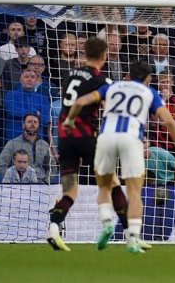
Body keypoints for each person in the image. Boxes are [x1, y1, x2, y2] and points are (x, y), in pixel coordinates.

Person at [62, 59, 175, 253]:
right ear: (148, 79)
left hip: (105, 139)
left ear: (129, 73)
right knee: (134, 192)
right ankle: (133, 238)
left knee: (105, 187)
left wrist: (70, 120)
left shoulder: (111, 86)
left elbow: (80, 101)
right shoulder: (149, 92)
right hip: (131, 140)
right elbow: (170, 122)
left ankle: (106, 222)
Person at [46, 38, 136, 252]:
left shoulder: (69, 76)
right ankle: (130, 236)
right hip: (87, 138)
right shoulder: (100, 80)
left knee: (70, 191)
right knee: (113, 183)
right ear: (104, 56)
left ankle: (53, 227)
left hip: (65, 139)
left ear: (85, 54)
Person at [0, 113, 51, 183]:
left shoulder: (44, 144)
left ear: (39, 126)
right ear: (23, 125)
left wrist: (46, 181)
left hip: (40, 185)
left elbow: (52, 165)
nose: (32, 124)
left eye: (35, 122)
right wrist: (15, 178)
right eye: (29, 121)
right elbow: (0, 166)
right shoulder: (13, 143)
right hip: (18, 186)